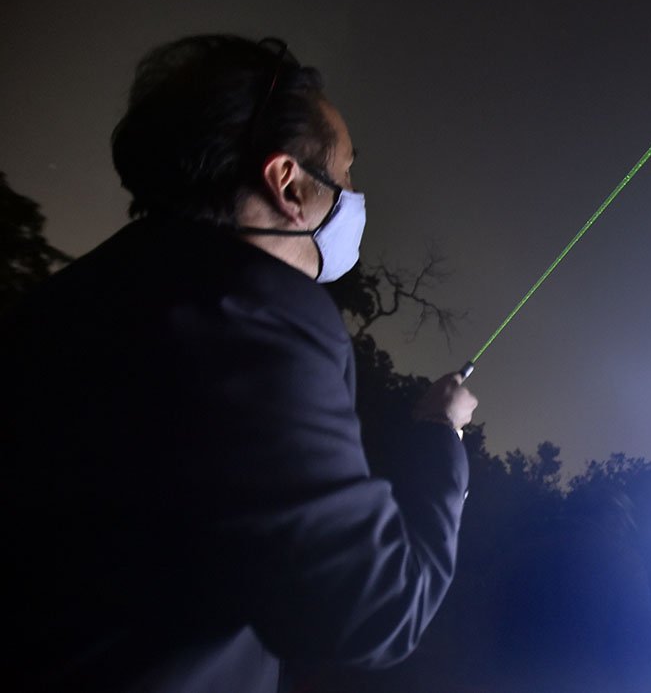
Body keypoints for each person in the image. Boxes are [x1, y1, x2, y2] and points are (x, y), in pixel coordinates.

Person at [1, 35, 478, 693]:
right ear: (287, 183)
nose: (355, 198)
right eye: (346, 174)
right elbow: (373, 612)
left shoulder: (72, 296)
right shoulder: (263, 318)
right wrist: (440, 437)